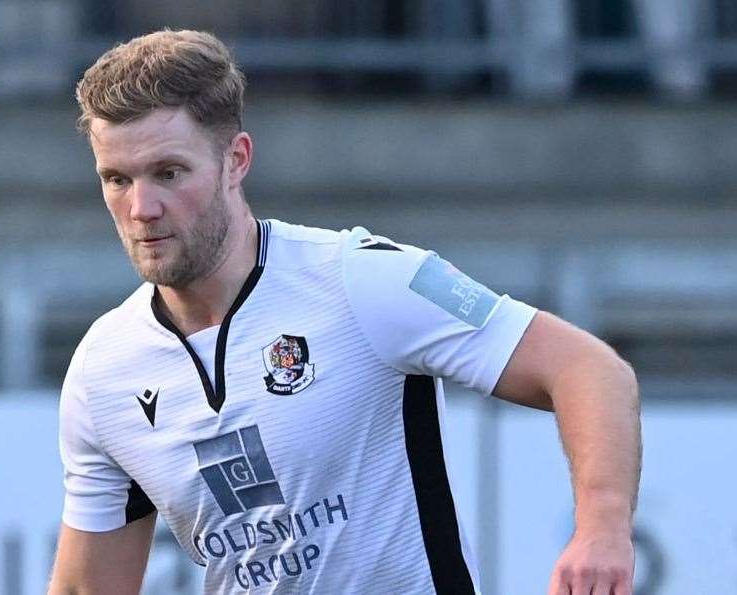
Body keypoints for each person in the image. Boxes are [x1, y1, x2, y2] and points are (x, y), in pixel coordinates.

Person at [48, 29, 640, 595]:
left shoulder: (362, 278)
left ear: (236, 160)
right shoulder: (105, 370)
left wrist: (602, 530)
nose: (141, 207)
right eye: (116, 178)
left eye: (169, 173)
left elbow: (588, 369)